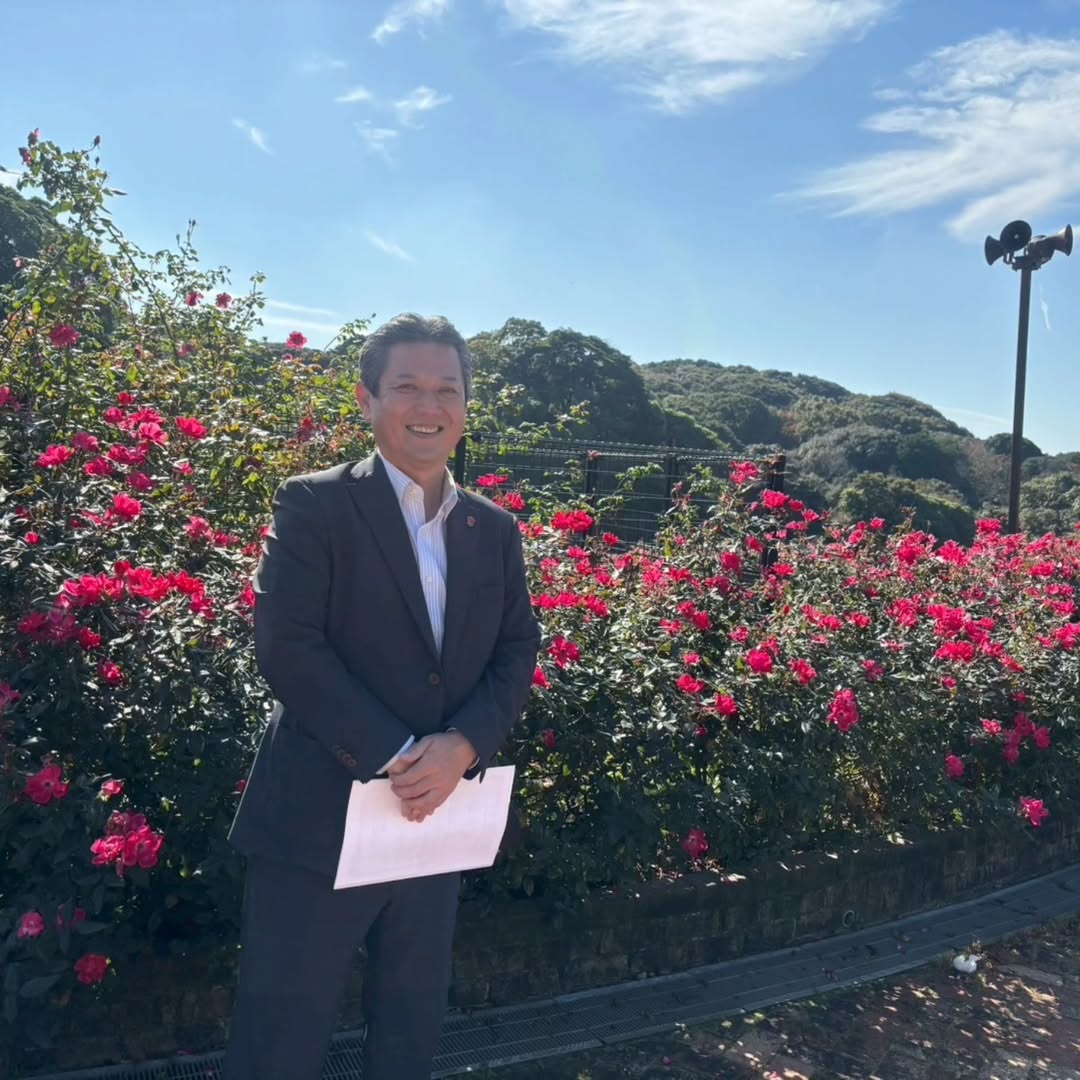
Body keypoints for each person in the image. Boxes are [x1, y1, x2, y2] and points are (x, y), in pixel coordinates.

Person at [222, 313, 541, 1080]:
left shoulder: (493, 529)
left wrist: (463, 745)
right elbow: (288, 647)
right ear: (367, 399)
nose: (428, 405)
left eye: (447, 389)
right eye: (407, 386)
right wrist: (399, 755)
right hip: (317, 821)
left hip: (434, 826)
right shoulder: (315, 505)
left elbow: (516, 648)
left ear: (465, 406)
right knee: (279, 1043)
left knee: (409, 1034)